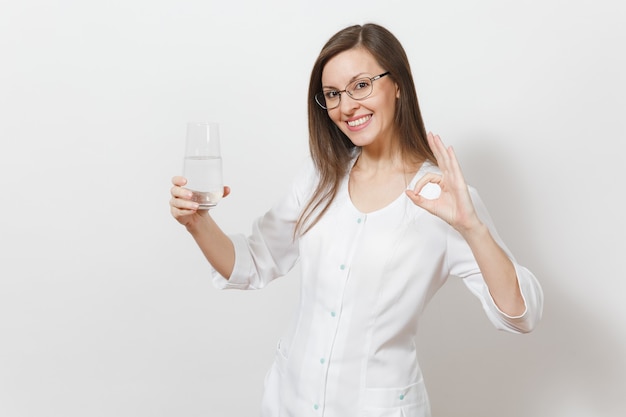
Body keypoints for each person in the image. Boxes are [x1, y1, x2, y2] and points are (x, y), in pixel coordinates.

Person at [170, 23, 543, 417]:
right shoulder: (319, 176)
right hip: (289, 401)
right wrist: (197, 222)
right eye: (332, 94)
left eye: (361, 85)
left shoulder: (444, 195)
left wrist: (473, 229)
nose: (346, 106)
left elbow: (522, 316)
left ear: (396, 83)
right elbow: (253, 262)